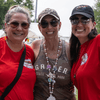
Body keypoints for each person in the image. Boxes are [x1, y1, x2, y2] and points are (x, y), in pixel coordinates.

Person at [31, 8, 75, 100]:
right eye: (44, 24)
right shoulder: (35, 46)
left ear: (59, 25)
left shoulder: (69, 49)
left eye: (53, 22)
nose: (49, 27)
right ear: (39, 27)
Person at [0, 5, 36, 100]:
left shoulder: (30, 52)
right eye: (14, 24)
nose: (19, 28)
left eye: (24, 25)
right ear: (6, 25)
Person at [69, 4, 99, 100]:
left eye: (85, 20)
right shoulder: (77, 51)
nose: (79, 24)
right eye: (75, 20)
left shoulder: (98, 42)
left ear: (93, 24)